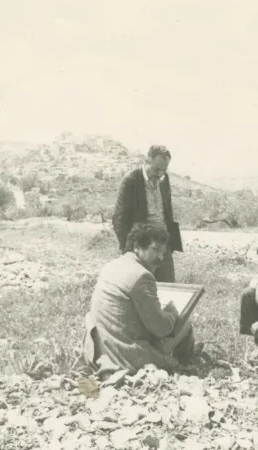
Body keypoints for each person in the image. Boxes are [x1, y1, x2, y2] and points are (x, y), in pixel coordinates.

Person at [81, 223, 199, 377]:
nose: (160, 258)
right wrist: (171, 312)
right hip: (125, 356)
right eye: (155, 250)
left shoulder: (112, 265)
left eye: (162, 252)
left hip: (100, 351)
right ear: (137, 247)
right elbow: (161, 329)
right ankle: (181, 365)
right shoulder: (141, 275)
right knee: (185, 324)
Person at [111, 145, 181, 283]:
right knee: (142, 286)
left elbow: (168, 212)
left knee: (168, 286)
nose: (160, 174)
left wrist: (171, 244)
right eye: (156, 169)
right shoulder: (131, 180)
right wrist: (128, 251)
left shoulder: (164, 179)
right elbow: (119, 219)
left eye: (164, 170)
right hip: (143, 247)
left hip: (164, 243)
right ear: (147, 161)